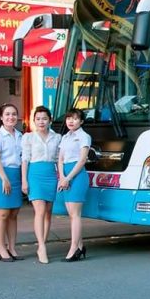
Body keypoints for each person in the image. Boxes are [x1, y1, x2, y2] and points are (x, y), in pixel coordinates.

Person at [21, 106, 61, 264]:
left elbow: (59, 159)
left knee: (48, 212)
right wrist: (24, 180)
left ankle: (41, 244)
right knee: (40, 210)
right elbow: (25, 160)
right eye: (38, 119)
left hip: (51, 174)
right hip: (35, 174)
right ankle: (42, 246)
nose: (41, 122)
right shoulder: (28, 138)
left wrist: (61, 177)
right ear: (34, 121)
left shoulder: (57, 137)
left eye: (44, 118)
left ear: (50, 120)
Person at [0, 103, 23, 262]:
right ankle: (1, 249)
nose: (11, 117)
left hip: (17, 175)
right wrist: (4, 178)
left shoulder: (21, 135)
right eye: (7, 114)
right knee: (2, 214)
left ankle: (12, 248)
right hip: (3, 175)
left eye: (14, 114)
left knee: (14, 214)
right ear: (1, 117)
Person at [57, 108, 91, 262]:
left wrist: (68, 178)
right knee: (71, 215)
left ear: (81, 121)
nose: (71, 121)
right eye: (69, 118)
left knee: (75, 214)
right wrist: (62, 177)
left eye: (75, 119)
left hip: (77, 176)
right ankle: (80, 246)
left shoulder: (84, 137)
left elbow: (82, 160)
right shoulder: (64, 137)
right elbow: (60, 159)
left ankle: (73, 248)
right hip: (65, 175)